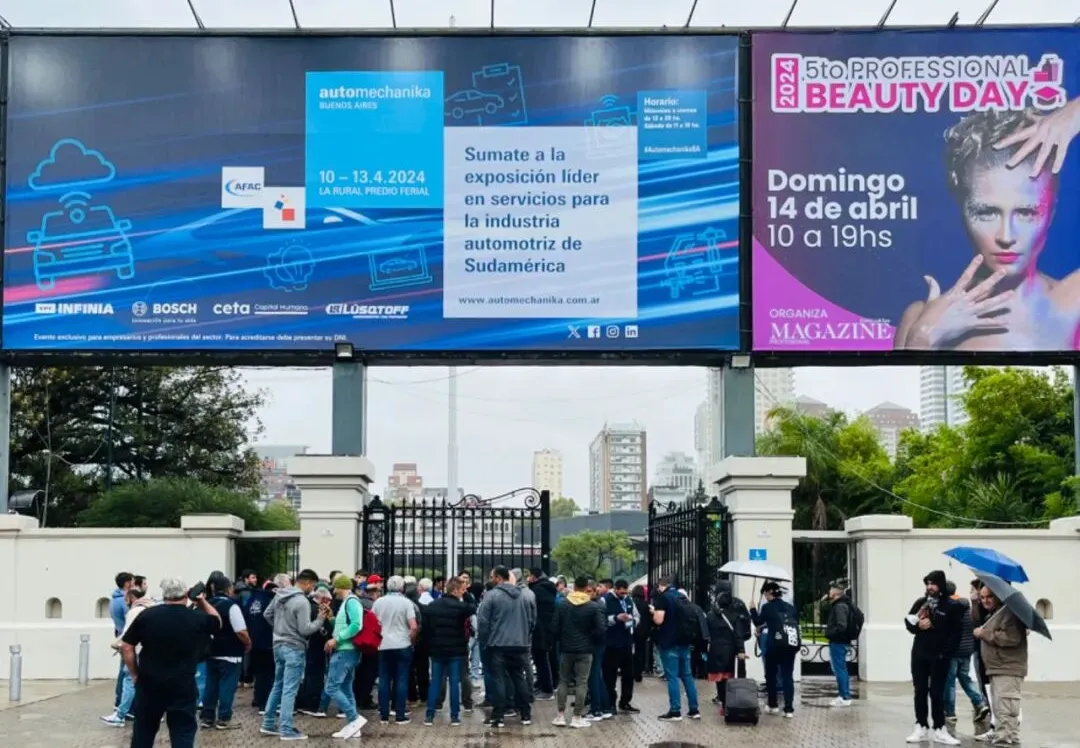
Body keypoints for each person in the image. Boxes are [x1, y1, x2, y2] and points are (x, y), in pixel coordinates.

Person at [895, 108, 1076, 352]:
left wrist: (1074, 115)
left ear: (1051, 214)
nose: (1006, 237)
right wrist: (922, 338)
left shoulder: (1073, 304)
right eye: (986, 212)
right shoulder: (919, 319)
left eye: (1026, 213)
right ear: (962, 210)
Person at [119, 577, 222, 748]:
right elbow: (217, 621)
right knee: (182, 730)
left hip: (150, 681)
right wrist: (201, 600)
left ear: (164, 594)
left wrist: (135, 674)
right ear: (186, 594)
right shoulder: (196, 617)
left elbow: (127, 646)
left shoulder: (148, 615)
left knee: (143, 730)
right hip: (182, 681)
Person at [260, 569, 331, 741]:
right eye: (312, 586)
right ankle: (286, 729)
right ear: (307, 582)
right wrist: (320, 619)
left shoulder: (279, 595)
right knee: (290, 689)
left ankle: (268, 723)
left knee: (278, 684)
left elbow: (267, 614)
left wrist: (280, 629)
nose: (312, 590)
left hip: (278, 645)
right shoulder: (302, 601)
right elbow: (305, 629)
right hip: (294, 647)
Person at [903, 570, 962, 746]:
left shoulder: (951, 606)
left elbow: (956, 633)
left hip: (940, 656)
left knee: (937, 692)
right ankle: (921, 725)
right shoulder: (921, 603)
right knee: (920, 690)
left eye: (933, 583)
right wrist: (918, 626)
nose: (930, 587)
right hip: (920, 653)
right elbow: (909, 622)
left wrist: (946, 653)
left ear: (941, 585)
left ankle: (939, 728)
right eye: (928, 583)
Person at [477, 565, 536, 728]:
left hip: (498, 644)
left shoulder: (491, 596)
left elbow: (483, 621)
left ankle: (498, 716)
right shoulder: (524, 595)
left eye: (492, 577)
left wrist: (484, 641)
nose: (490, 580)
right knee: (518, 677)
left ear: (498, 578)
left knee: (499, 679)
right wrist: (524, 635)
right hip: (520, 643)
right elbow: (532, 620)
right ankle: (525, 714)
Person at [974, 582, 1028, 746]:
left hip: (1008, 669)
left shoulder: (1010, 613)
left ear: (998, 596)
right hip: (996, 669)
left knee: (1005, 712)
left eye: (989, 596)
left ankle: (1004, 742)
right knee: (1000, 711)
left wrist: (985, 634)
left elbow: (1011, 638)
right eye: (982, 597)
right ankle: (1006, 740)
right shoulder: (995, 613)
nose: (985, 600)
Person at [198, 571, 252, 730]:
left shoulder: (207, 605)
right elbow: (240, 631)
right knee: (227, 686)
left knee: (211, 685)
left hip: (211, 651)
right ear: (229, 589)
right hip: (230, 652)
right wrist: (248, 643)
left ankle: (207, 717)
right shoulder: (231, 606)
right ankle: (224, 718)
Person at [552, 576, 606, 729]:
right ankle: (577, 717)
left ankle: (560, 715)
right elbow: (601, 629)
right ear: (586, 587)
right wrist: (590, 638)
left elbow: (554, 627)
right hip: (585, 649)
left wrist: (561, 638)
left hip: (566, 648)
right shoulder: (592, 607)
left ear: (574, 586)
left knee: (563, 681)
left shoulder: (562, 604)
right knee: (582, 683)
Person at [318, 575, 367, 739]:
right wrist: (331, 618)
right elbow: (345, 625)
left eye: (335, 588)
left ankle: (354, 718)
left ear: (341, 587)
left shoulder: (351, 602)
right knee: (345, 688)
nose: (334, 591)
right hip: (348, 650)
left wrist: (336, 639)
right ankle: (354, 726)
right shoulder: (349, 602)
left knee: (331, 687)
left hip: (345, 651)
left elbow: (356, 625)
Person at [421, 577, 475, 725]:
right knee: (454, 683)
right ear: (455, 590)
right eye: (462, 590)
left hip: (437, 649)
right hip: (456, 650)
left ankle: (429, 715)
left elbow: (427, 628)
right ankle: (454, 716)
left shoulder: (433, 605)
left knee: (435, 682)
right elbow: (473, 607)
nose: (463, 592)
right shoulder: (460, 607)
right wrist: (467, 594)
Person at [102, 585, 155, 726]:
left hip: (135, 650)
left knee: (129, 680)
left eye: (126, 598)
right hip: (148, 651)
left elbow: (127, 635)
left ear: (131, 597)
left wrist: (116, 644)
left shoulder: (134, 611)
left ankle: (120, 714)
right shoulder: (151, 608)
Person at [650, 576, 700, 722]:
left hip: (669, 642)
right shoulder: (682, 597)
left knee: (672, 677)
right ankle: (694, 710)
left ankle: (675, 711)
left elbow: (659, 620)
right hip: (684, 642)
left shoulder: (663, 598)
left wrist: (653, 612)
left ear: (661, 586)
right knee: (687, 676)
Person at [943, 581, 990, 726]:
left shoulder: (949, 608)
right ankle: (980, 703)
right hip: (967, 651)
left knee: (950, 683)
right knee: (965, 679)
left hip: (953, 652)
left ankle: (950, 712)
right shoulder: (967, 607)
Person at [373, 574, 418, 725]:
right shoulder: (406, 603)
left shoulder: (379, 602)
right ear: (402, 587)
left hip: (383, 644)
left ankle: (384, 715)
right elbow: (413, 626)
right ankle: (400, 715)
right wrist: (411, 640)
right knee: (401, 679)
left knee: (384, 679)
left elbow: (372, 622)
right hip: (402, 644)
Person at [750, 581, 799, 719]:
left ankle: (773, 705)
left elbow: (758, 622)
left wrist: (752, 609)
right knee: (787, 676)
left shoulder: (767, 607)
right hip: (790, 645)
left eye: (765, 594)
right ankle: (789, 709)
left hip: (774, 646)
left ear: (769, 593)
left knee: (771, 675)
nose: (765, 596)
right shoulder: (791, 608)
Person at [705, 580, 751, 711]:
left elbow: (707, 629)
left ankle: (723, 701)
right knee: (734, 674)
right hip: (733, 646)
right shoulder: (737, 605)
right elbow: (741, 629)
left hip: (716, 647)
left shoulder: (713, 609)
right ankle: (736, 700)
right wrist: (741, 648)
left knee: (720, 676)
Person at [602, 578, 639, 713]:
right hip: (611, 643)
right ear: (615, 589)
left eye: (625, 593)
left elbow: (637, 616)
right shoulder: (605, 600)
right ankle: (610, 702)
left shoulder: (629, 600)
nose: (624, 595)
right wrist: (616, 618)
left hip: (626, 642)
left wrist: (632, 621)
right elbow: (601, 620)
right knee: (610, 675)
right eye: (621, 593)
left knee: (628, 674)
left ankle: (625, 701)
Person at [296, 586, 334, 715]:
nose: (329, 603)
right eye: (328, 600)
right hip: (317, 646)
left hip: (306, 645)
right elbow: (325, 629)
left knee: (307, 675)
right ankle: (312, 704)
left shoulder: (307, 606)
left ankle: (304, 702)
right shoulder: (319, 610)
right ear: (322, 599)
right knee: (316, 676)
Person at [243, 579, 276, 712]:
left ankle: (257, 699)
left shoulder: (253, 599)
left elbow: (245, 617)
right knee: (268, 674)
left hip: (254, 642)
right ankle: (264, 702)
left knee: (259, 673)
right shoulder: (270, 600)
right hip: (268, 642)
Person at [527, 568, 559, 699]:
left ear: (534, 577)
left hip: (540, 630)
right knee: (544, 659)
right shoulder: (547, 589)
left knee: (541, 660)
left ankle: (546, 688)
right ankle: (544, 684)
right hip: (547, 629)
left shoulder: (537, 590)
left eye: (529, 576)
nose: (527, 578)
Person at [824, 581, 856, 707]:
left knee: (840, 669)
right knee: (840, 668)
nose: (829, 592)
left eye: (831, 590)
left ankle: (844, 697)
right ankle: (843, 695)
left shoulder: (840, 606)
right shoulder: (841, 605)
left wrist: (830, 633)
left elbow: (841, 626)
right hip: (840, 641)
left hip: (838, 641)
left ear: (836, 593)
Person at [110, 572, 135, 711]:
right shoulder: (124, 600)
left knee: (124, 671)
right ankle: (123, 704)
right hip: (128, 639)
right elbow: (131, 619)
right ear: (127, 583)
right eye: (132, 582)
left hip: (121, 637)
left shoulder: (114, 599)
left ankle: (119, 701)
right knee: (127, 673)